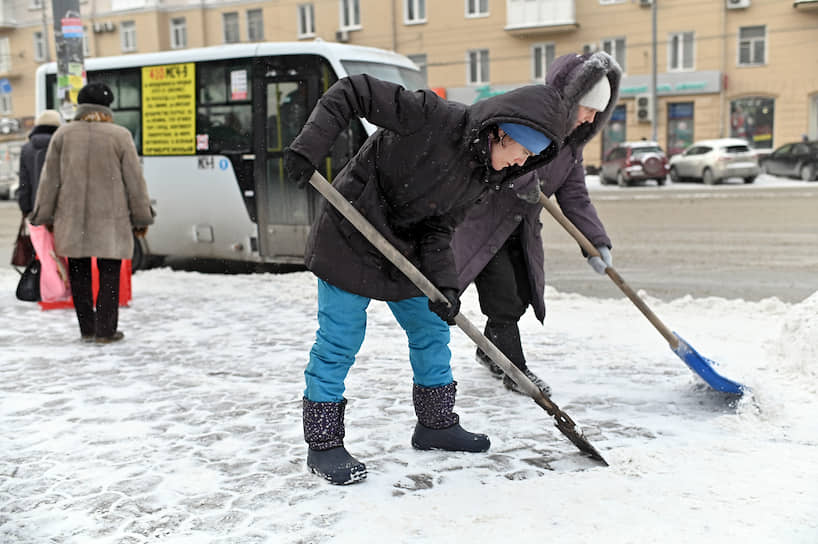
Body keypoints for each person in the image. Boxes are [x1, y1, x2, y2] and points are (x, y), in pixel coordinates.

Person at [283, 74, 569, 485]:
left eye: (530, 159)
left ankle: (436, 424)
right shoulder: (431, 116)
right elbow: (352, 91)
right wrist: (310, 146)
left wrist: (446, 286)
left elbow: (439, 229)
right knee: (339, 339)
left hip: (405, 252)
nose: (521, 164)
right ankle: (324, 444)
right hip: (349, 233)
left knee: (433, 329)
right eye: (521, 152)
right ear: (501, 132)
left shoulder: (482, 175)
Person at [452, 51, 622, 395]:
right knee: (502, 298)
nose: (590, 120)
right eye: (587, 108)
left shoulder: (572, 147)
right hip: (485, 221)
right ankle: (512, 368)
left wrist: (595, 240)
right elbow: (489, 153)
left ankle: (490, 352)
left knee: (519, 295)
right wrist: (520, 177)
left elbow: (575, 196)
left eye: (597, 114)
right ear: (571, 100)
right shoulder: (527, 119)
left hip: (520, 229)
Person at [29, 82, 154, 344]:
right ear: (107, 107)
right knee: (110, 273)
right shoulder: (119, 136)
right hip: (112, 219)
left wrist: (43, 215)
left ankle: (87, 327)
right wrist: (141, 216)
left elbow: (49, 179)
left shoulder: (63, 135)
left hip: (71, 218)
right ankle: (106, 330)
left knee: (79, 274)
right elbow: (135, 181)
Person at [17, 109, 62, 219]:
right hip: (59, 210)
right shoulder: (61, 145)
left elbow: (24, 183)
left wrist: (25, 209)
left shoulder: (26, 149)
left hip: (35, 210)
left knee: (40, 237)